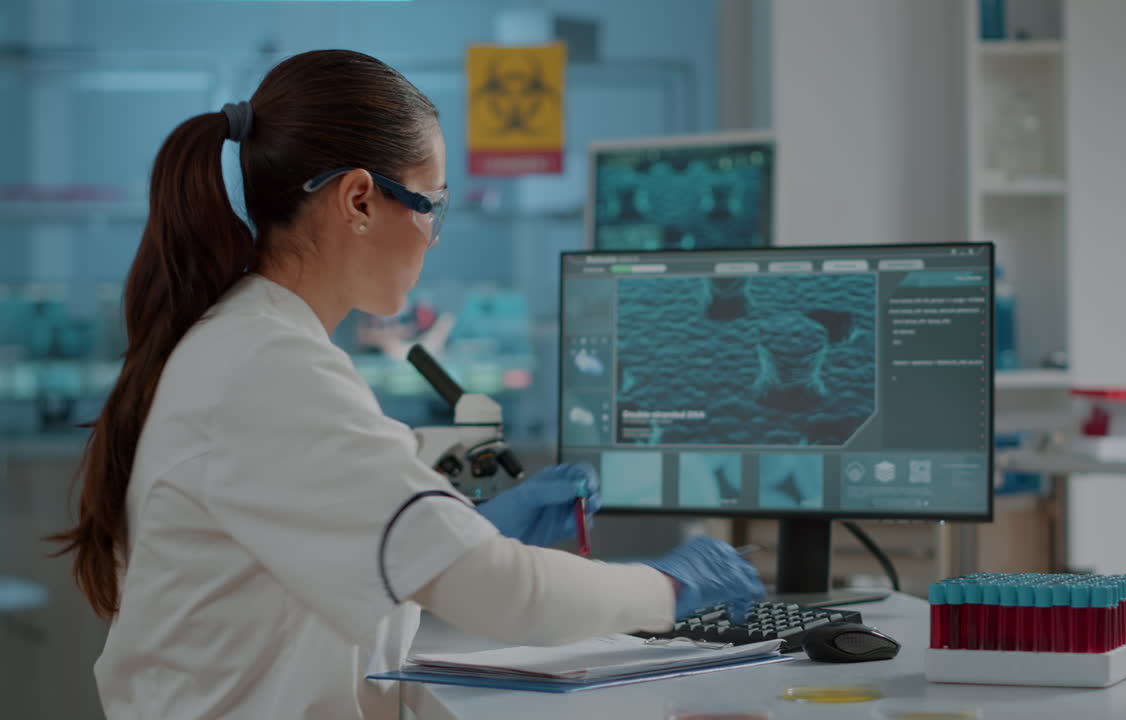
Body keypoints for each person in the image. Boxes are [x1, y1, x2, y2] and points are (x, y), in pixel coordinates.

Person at [48, 49, 763, 720]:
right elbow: (506, 595)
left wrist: (465, 529)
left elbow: (342, 554)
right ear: (359, 200)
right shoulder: (266, 366)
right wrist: (670, 587)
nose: (435, 235)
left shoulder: (252, 339)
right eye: (432, 206)